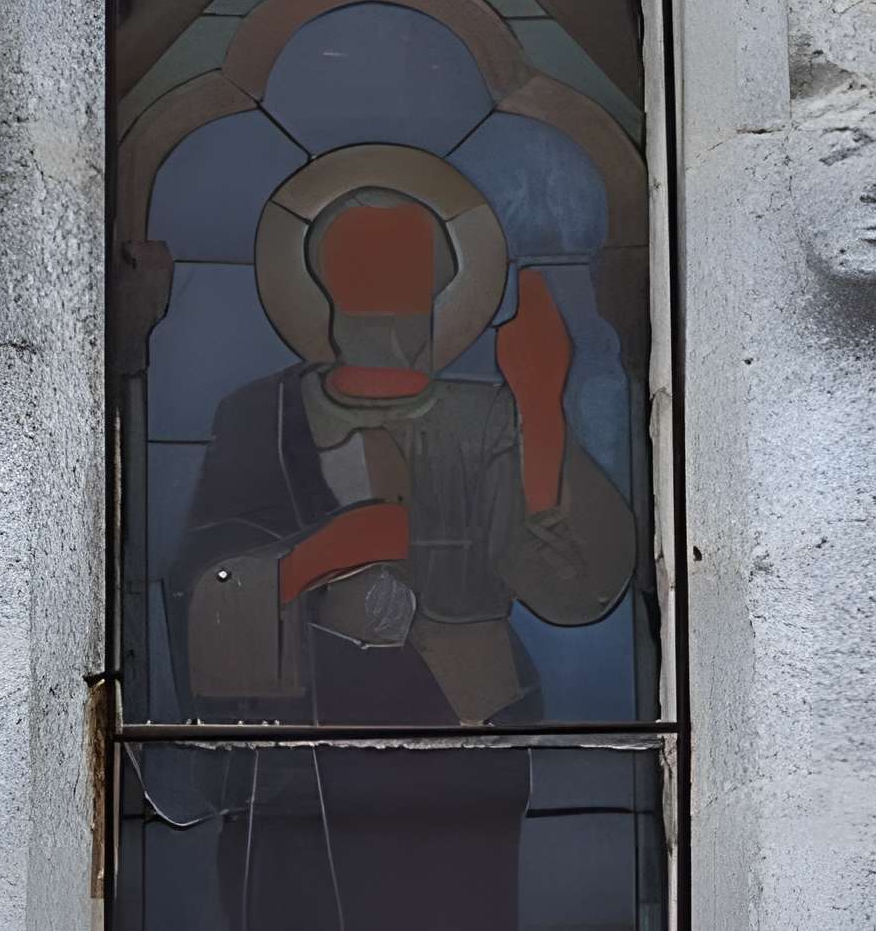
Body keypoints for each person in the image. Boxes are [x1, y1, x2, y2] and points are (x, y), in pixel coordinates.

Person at [170, 194, 638, 928]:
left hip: (459, 739)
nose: (388, 292)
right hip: (308, 753)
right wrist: (323, 558)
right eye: (366, 266)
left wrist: (541, 405)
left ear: (442, 283)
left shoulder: (485, 418)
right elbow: (204, 588)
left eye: (409, 268)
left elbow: (571, 582)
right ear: (325, 282)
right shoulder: (262, 416)